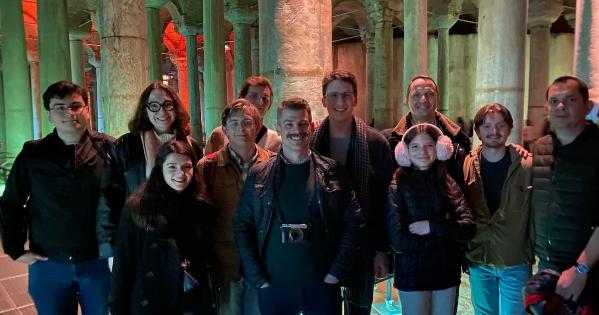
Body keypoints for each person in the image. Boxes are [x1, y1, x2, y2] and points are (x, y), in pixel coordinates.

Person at [234, 97, 364, 315]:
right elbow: (241, 226)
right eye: (289, 124)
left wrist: (335, 274)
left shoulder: (332, 171)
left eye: (303, 123)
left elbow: (354, 223)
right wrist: (258, 277)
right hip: (274, 286)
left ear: (312, 126)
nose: (297, 130)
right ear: (278, 127)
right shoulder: (259, 174)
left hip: (322, 285)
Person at [0, 81, 117, 315]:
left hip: (97, 261)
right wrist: (15, 248)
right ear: (50, 115)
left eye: (75, 105)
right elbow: (12, 201)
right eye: (59, 107)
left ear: (87, 109)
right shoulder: (34, 153)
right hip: (48, 262)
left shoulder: (108, 149)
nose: (69, 113)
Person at [311, 70, 393, 314]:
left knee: (359, 308)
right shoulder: (312, 144)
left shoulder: (376, 143)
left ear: (356, 99)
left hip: (362, 242)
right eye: (333, 95)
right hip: (323, 242)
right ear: (323, 100)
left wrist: (381, 250)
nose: (340, 102)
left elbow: (383, 202)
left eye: (346, 95)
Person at [110, 140, 214, 315]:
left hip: (190, 297)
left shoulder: (201, 206)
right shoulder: (139, 208)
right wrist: (117, 308)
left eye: (186, 167)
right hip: (152, 297)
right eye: (172, 167)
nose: (180, 174)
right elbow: (124, 264)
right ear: (160, 169)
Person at [97, 83, 203, 244]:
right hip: (139, 233)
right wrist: (110, 245)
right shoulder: (127, 145)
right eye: (154, 106)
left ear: (176, 108)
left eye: (168, 104)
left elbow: (198, 190)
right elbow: (109, 196)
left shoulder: (190, 145)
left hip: (181, 233)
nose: (162, 111)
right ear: (145, 110)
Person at [386, 123, 475, 315]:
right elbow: (398, 240)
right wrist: (446, 237)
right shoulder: (397, 184)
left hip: (446, 271)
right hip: (412, 273)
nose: (423, 152)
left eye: (429, 145)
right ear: (405, 151)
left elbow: (468, 227)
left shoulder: (448, 182)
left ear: (440, 148)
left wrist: (431, 227)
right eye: (415, 147)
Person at [197, 99, 274, 315]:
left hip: (262, 264)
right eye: (234, 123)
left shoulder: (274, 164)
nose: (241, 128)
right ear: (224, 129)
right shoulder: (207, 167)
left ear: (257, 127)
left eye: (248, 122)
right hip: (224, 264)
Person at [530, 75, 599, 311]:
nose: (561, 106)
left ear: (587, 106)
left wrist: (582, 269)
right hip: (549, 264)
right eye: (555, 100)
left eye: (570, 99)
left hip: (587, 267)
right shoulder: (541, 147)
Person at [463, 103, 533, 315]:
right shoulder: (468, 163)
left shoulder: (527, 165)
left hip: (515, 260)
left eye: (500, 125)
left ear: (510, 128)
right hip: (479, 258)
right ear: (477, 131)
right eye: (487, 126)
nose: (494, 131)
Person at [387, 76, 471, 188]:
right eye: (416, 94)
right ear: (407, 100)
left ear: (438, 99)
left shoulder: (458, 138)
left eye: (430, 94)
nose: (423, 99)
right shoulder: (390, 140)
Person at [204, 76, 281, 154]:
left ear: (270, 104)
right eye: (253, 96)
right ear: (242, 98)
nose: (260, 102)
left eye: (265, 98)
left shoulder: (275, 141)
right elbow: (208, 164)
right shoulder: (219, 135)